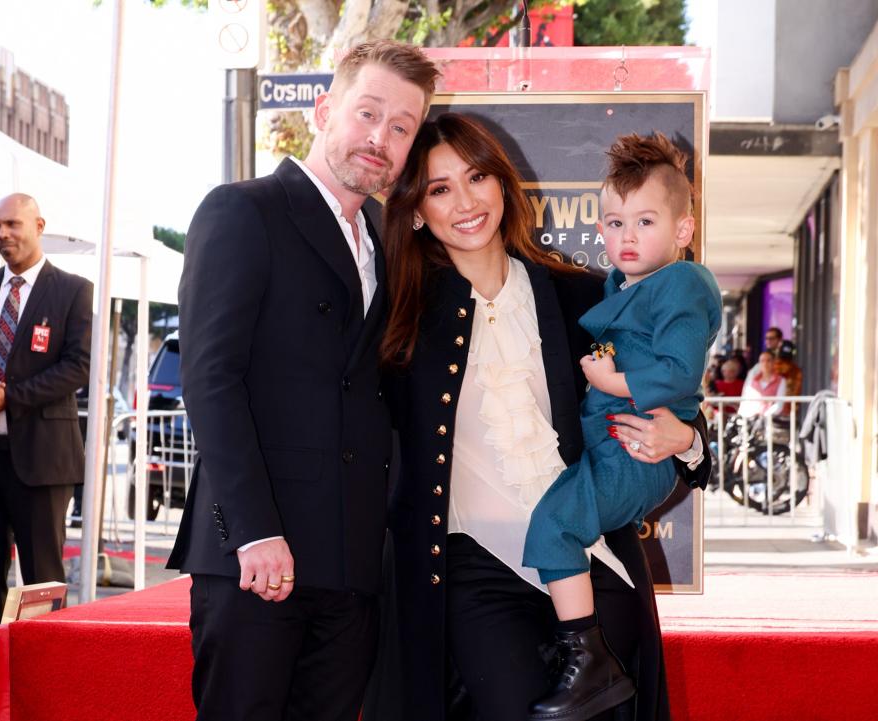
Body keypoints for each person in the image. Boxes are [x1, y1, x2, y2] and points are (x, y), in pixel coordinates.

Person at [379, 114, 711, 721]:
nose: (466, 201)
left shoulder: (581, 296)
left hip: (592, 554)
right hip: (474, 567)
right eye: (440, 187)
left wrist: (686, 441)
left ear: (503, 184)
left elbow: (676, 401)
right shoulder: (400, 318)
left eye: (477, 176)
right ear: (418, 211)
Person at [166, 41, 440, 721]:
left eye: (401, 126)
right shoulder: (243, 211)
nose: (381, 138)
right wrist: (253, 530)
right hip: (258, 554)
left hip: (350, 563)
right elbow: (210, 377)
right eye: (367, 113)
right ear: (325, 110)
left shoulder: (389, 237)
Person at [522, 132, 722, 719]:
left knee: (554, 527)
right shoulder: (616, 284)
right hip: (602, 442)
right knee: (555, 526)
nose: (625, 237)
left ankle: (588, 662)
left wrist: (618, 387)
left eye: (644, 222)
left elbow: (680, 372)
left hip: (633, 446)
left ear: (682, 231)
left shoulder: (683, 282)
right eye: (612, 223)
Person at [0, 193, 92, 717]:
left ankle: (43, 677)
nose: (1, 235)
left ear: (39, 225)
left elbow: (78, 367)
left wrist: (7, 394)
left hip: (42, 461)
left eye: (12, 224)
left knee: (40, 576)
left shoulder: (72, 292)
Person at [739, 351, 787, 417]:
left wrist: (764, 416)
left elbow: (779, 404)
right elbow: (746, 402)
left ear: (773, 363)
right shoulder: (752, 381)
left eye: (768, 360)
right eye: (762, 361)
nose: (765, 363)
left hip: (771, 421)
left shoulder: (781, 381)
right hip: (752, 420)